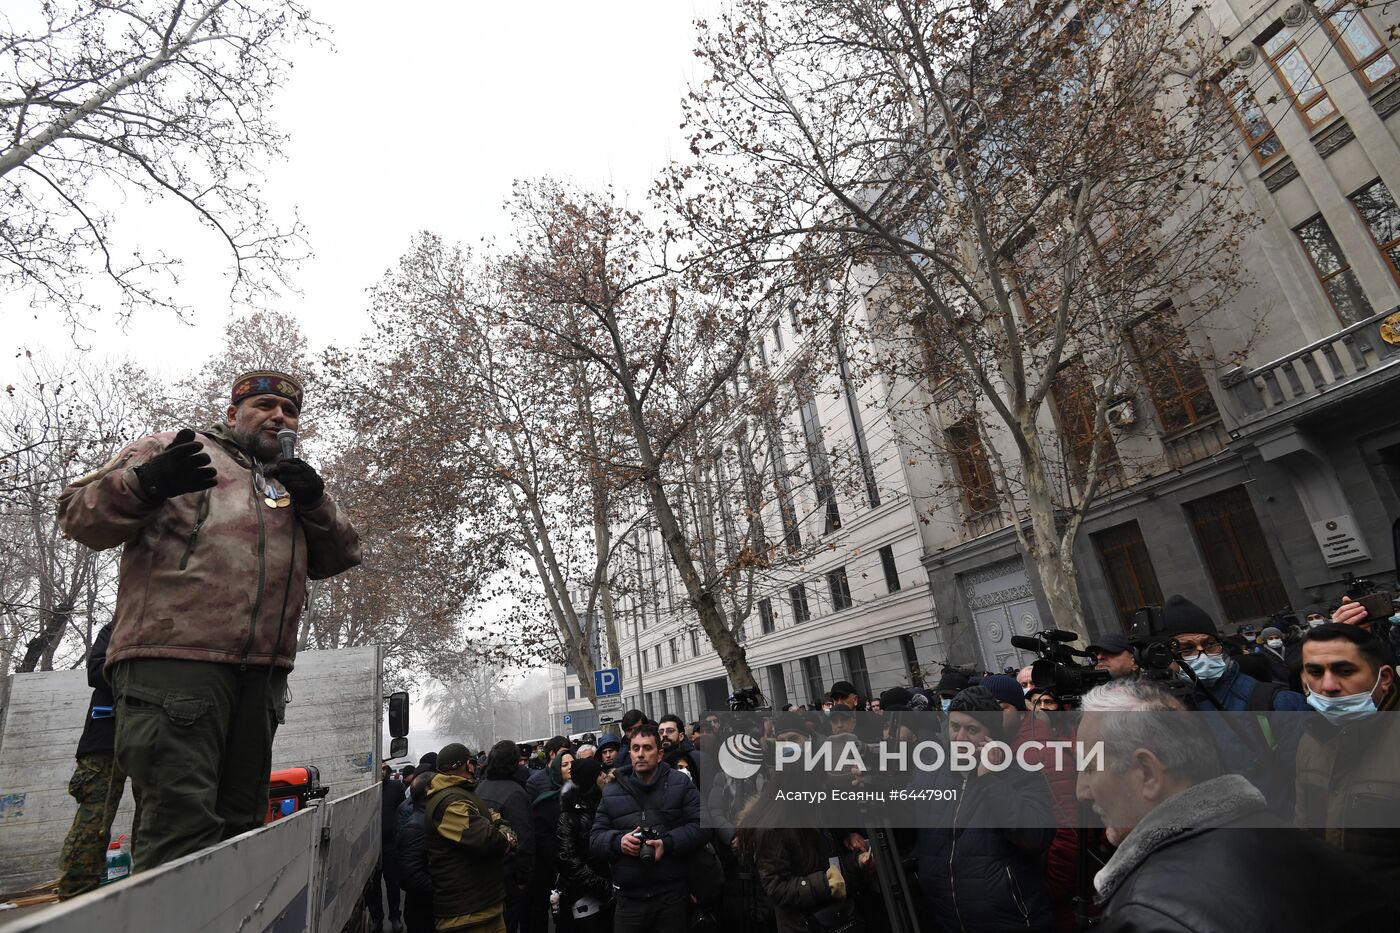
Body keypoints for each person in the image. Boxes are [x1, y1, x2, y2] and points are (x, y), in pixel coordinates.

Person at [56, 371, 361, 872]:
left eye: (289, 411)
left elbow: (342, 555)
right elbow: (77, 516)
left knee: (241, 830)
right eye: (264, 405)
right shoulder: (176, 448)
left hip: (261, 676)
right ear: (232, 413)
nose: (279, 416)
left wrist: (315, 502)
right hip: (174, 669)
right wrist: (147, 482)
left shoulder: (286, 481)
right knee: (181, 836)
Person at [1077, 679, 1395, 932]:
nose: (1082, 791)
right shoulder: (1291, 836)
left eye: (1090, 768)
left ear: (1147, 772)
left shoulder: (1148, 913)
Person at [913, 686, 1055, 932]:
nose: (959, 738)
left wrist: (991, 778)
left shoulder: (1021, 773)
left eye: (972, 730)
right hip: (948, 919)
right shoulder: (932, 773)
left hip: (1011, 920)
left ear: (993, 735)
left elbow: (1035, 837)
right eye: (955, 727)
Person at [1155, 595, 1308, 810]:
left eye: (1209, 645)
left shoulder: (1275, 703)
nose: (1202, 655)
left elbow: (1311, 787)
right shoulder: (1159, 713)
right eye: (1186, 649)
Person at [1295, 623, 1400, 887]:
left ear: (1384, 678)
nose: (1328, 686)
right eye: (1315, 672)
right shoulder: (1310, 742)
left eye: (1345, 671)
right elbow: (1305, 829)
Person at [589, 724, 706, 930]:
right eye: (635, 749)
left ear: (660, 754)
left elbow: (702, 827)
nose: (640, 754)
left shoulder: (680, 783)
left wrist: (666, 843)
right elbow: (595, 839)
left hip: (672, 895)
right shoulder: (611, 790)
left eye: (647, 748)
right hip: (629, 899)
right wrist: (618, 842)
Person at [58, 622, 138, 899]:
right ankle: (74, 898)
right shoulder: (117, 626)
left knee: (155, 817)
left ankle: (147, 889)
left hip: (153, 736)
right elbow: (96, 671)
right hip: (106, 738)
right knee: (94, 823)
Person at [425, 743, 518, 933]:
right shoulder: (450, 804)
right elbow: (489, 840)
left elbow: (496, 820)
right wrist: (507, 838)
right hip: (466, 915)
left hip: (482, 909)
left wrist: (499, 828)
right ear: (467, 765)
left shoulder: (463, 795)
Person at [477, 741, 536, 933]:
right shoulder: (516, 793)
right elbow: (524, 840)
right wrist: (523, 877)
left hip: (483, 873)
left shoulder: (480, 788)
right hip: (508, 876)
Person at [555, 756, 613, 931]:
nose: (604, 776)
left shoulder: (605, 807)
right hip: (583, 899)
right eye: (599, 773)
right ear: (590, 779)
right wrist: (603, 887)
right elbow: (568, 861)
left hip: (608, 896)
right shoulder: (569, 817)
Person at [396, 769, 436, 933]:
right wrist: (444, 888)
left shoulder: (429, 819)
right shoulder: (416, 827)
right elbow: (410, 878)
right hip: (424, 914)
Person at [370, 762, 406, 932]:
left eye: (384, 768)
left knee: (393, 882)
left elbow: (403, 810)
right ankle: (377, 918)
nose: (382, 771)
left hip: (390, 844)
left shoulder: (396, 787)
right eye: (379, 768)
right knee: (373, 885)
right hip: (370, 847)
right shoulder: (367, 790)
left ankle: (395, 917)